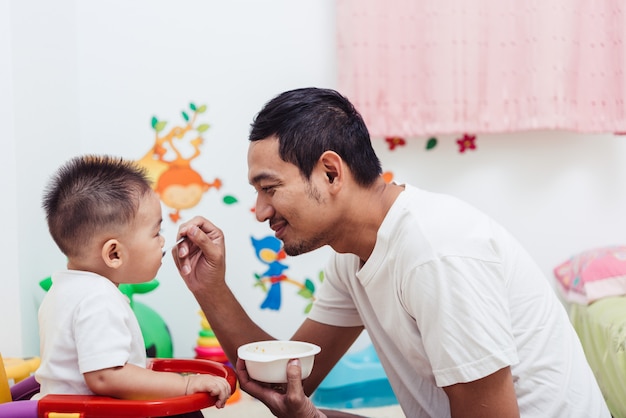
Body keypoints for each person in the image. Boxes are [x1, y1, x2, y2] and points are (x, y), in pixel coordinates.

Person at [172, 88, 610, 417]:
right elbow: (294, 379)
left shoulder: (435, 251)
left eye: (269, 189)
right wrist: (210, 288)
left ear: (329, 172)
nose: (261, 211)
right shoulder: (352, 256)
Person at [36, 155, 231, 415]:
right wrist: (185, 384)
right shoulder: (97, 298)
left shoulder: (63, 289)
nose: (162, 242)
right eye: (155, 233)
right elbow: (107, 377)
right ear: (114, 254)